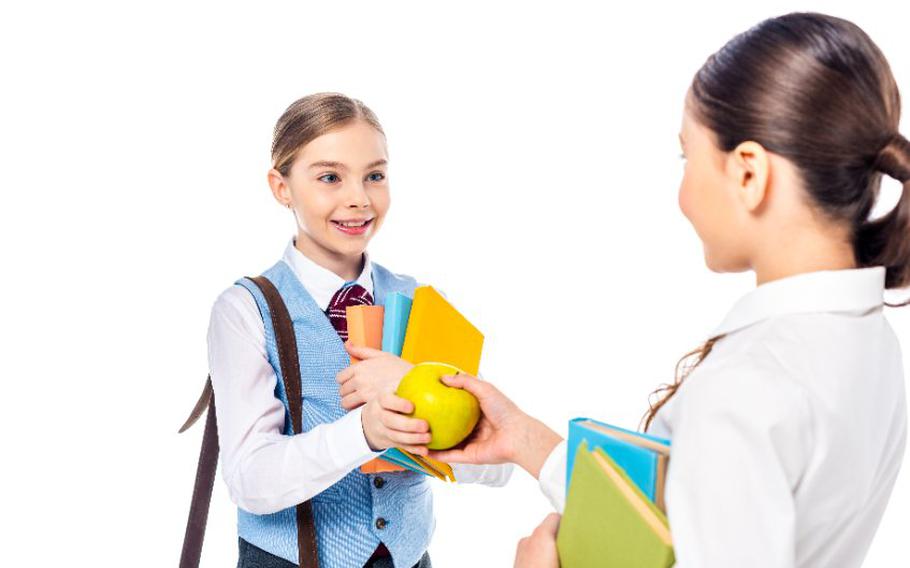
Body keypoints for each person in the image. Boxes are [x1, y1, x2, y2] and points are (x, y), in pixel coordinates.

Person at [357, 12, 910, 568]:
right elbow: (692, 531)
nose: (684, 194)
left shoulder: (749, 385)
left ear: (748, 173)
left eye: (687, 157)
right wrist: (525, 441)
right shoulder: (865, 339)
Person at [207, 92, 511, 568]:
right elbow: (249, 479)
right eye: (330, 177)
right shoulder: (246, 309)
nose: (359, 198)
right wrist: (364, 432)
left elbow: (498, 466)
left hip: (409, 559)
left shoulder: (420, 301)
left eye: (375, 175)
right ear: (281, 186)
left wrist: (427, 411)